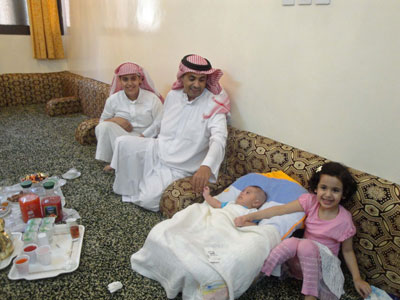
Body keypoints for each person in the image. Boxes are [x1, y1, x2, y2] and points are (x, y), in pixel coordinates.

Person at [235, 162, 372, 300]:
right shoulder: (311, 202)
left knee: (305, 245)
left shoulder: (344, 220)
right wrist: (249, 216)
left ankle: (311, 295)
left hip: (322, 271)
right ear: (316, 188)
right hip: (298, 266)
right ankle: (260, 274)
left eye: (335, 190)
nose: (328, 194)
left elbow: (347, 251)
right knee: (291, 243)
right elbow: (280, 210)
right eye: (323, 188)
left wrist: (357, 279)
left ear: (343, 194)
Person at [110, 54, 229, 211]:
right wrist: (143, 137)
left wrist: (206, 166)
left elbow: (219, 138)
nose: (197, 84)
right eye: (191, 78)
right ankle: (139, 180)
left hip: (181, 164)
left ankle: (145, 181)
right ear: (182, 77)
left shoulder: (214, 104)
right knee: (123, 142)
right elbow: (160, 122)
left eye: (202, 80)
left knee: (147, 200)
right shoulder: (174, 95)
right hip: (159, 148)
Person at [95, 62, 163, 171]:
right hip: (123, 137)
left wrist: (143, 136)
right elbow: (102, 121)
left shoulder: (152, 99)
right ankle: (115, 161)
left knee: (127, 144)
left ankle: (121, 163)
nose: (129, 83)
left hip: (146, 138)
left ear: (140, 80)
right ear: (120, 81)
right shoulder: (113, 99)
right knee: (103, 127)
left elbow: (159, 123)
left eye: (133, 79)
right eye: (125, 79)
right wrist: (116, 120)